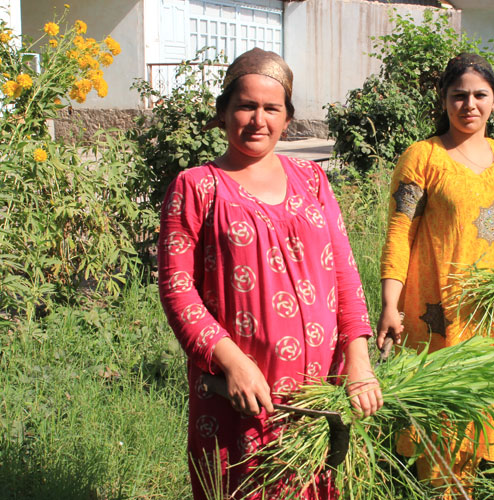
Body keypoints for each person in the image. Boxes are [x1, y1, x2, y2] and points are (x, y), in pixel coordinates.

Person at [158, 48, 382, 500]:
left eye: (271, 108)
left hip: (317, 394)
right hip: (240, 395)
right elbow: (178, 290)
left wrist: (358, 362)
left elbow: (345, 274)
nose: (258, 119)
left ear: (287, 117)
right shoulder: (197, 186)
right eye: (245, 105)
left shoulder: (312, 180)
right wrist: (234, 364)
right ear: (223, 113)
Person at [376, 53, 494, 499]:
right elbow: (399, 233)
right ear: (443, 100)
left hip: (492, 314)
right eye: (459, 95)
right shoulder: (423, 157)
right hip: (437, 314)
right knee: (440, 413)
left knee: (484, 405)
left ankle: (473, 486)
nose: (469, 104)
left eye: (479, 95)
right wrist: (390, 304)